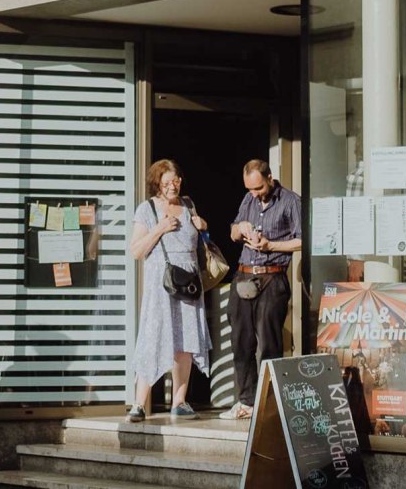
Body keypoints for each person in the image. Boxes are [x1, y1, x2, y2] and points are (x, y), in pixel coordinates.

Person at [127, 159, 212, 422]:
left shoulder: (189, 205)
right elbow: (136, 251)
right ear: (157, 184)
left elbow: (202, 245)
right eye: (166, 182)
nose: (172, 186)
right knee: (153, 337)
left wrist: (204, 229)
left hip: (188, 283)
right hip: (161, 285)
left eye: (175, 181)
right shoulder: (147, 209)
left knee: (186, 342)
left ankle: (180, 401)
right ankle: (139, 403)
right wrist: (160, 228)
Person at [220, 159, 303, 420]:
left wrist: (271, 246)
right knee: (241, 341)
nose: (255, 193)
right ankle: (246, 401)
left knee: (269, 343)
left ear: (269, 177)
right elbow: (233, 231)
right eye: (250, 189)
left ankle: (269, 404)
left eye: (258, 188)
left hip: (272, 277)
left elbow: (302, 240)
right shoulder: (248, 200)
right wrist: (240, 228)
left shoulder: (290, 201)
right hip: (244, 275)